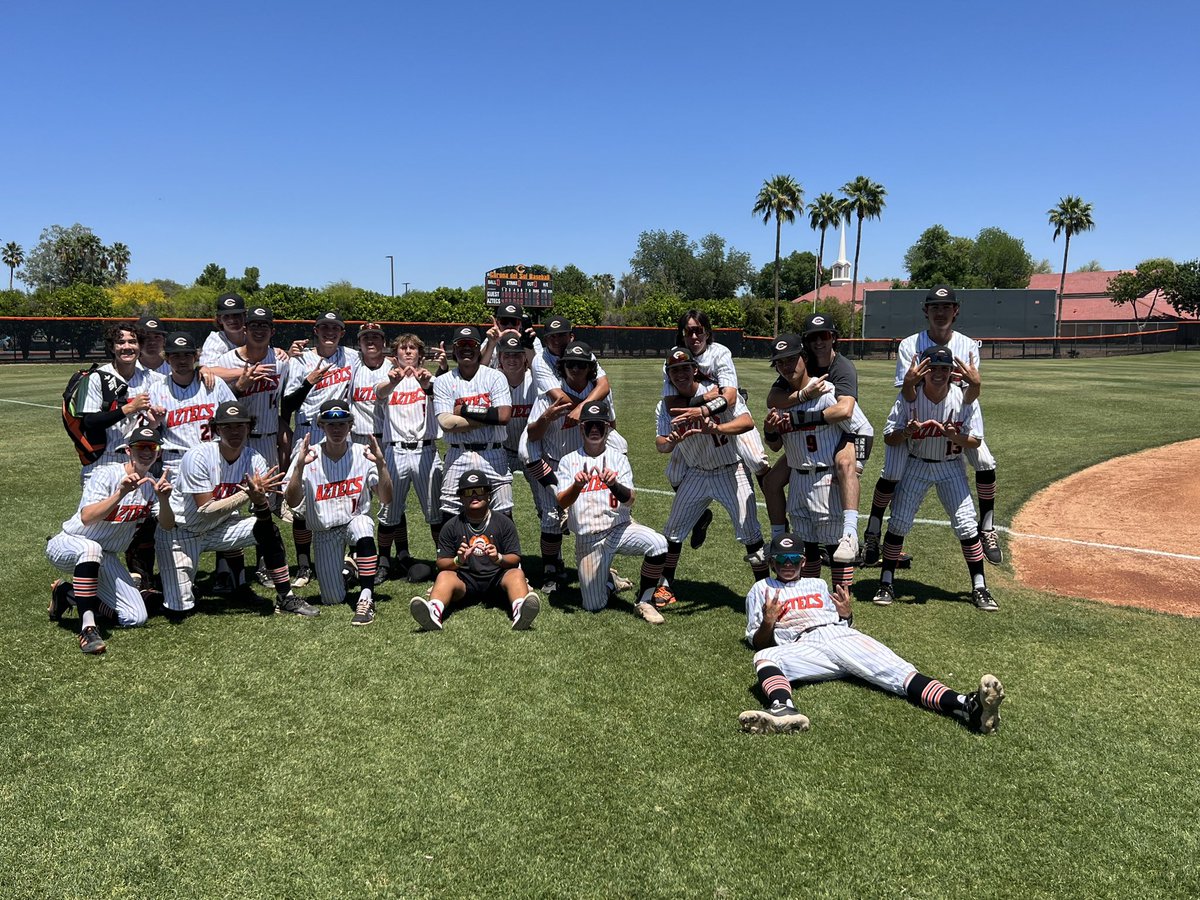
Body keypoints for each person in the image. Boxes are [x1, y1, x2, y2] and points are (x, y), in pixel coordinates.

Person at [737, 533, 1005, 735]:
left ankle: (966, 705)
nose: (787, 564)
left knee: (900, 674)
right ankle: (783, 709)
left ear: (803, 561)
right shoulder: (760, 590)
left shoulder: (817, 583)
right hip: (803, 646)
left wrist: (846, 614)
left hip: (839, 636)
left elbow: (844, 622)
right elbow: (757, 641)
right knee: (765, 656)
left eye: (793, 559)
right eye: (781, 560)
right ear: (772, 562)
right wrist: (769, 622)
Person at [863, 286, 1000, 566]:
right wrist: (913, 385)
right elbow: (907, 394)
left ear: (955, 310)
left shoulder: (968, 345)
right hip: (916, 410)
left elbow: (969, 395)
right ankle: (874, 529)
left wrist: (976, 386)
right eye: (935, 307)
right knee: (892, 470)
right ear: (926, 311)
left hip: (958, 410)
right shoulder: (910, 345)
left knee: (985, 461)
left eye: (946, 307)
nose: (941, 312)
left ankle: (986, 528)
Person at [156, 400, 317, 617]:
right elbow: (205, 509)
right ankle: (155, 590)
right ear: (217, 429)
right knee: (180, 610)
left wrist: (259, 499)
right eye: (228, 426)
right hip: (179, 533)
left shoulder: (254, 459)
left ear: (249, 428)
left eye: (240, 425)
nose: (235, 431)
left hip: (218, 528)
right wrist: (247, 494)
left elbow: (261, 513)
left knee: (268, 530)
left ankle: (285, 597)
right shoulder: (198, 456)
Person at [872, 345, 997, 611]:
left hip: (951, 467)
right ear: (923, 371)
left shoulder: (964, 399)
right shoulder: (909, 398)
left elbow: (975, 442)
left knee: (966, 525)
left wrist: (955, 436)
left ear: (952, 372)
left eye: (944, 368)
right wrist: (906, 432)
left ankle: (979, 586)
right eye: (933, 368)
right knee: (899, 525)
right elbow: (888, 437)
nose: (938, 373)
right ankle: (886, 582)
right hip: (916, 466)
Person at [46, 427, 175, 654]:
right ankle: (88, 629)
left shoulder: (152, 484)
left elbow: (166, 524)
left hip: (104, 556)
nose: (146, 452)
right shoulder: (106, 474)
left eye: (151, 447)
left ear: (159, 452)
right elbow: (87, 517)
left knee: (135, 617)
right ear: (128, 451)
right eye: (140, 447)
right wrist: (120, 494)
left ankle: (68, 593)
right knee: (91, 548)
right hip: (70, 543)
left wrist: (164, 500)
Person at [762, 335, 873, 592]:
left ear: (804, 358)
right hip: (798, 480)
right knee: (807, 549)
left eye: (792, 359)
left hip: (826, 478)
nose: (788, 367)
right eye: (781, 363)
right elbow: (776, 445)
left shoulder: (826, 392)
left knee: (837, 552)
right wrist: (770, 431)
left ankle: (843, 612)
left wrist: (854, 466)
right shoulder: (781, 400)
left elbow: (861, 428)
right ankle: (812, 603)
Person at [655, 345, 769, 594]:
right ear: (669, 375)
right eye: (674, 371)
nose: (680, 374)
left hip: (731, 470)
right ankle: (665, 584)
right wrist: (672, 441)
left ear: (695, 370)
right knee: (673, 531)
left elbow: (747, 422)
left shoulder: (717, 394)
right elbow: (661, 444)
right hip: (697, 472)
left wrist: (716, 429)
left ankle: (764, 589)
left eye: (685, 368)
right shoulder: (665, 405)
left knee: (750, 532)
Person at [525, 340, 629, 592]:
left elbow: (611, 426)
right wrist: (547, 416)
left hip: (585, 466)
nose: (575, 369)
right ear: (562, 367)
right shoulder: (549, 394)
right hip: (554, 461)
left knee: (595, 520)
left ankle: (602, 571)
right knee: (550, 520)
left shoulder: (599, 392)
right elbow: (533, 435)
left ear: (589, 368)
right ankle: (551, 569)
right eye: (570, 364)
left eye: (581, 365)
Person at [556, 401, 673, 622]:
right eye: (589, 425)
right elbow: (562, 501)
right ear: (581, 428)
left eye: (599, 425)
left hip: (619, 529)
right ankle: (610, 582)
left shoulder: (618, 459)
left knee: (658, 543)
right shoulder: (568, 461)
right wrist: (576, 486)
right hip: (588, 540)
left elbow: (630, 500)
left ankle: (645, 602)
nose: (594, 430)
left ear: (608, 428)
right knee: (593, 605)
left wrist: (614, 485)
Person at [665, 310, 771, 549]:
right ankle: (700, 516)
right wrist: (706, 397)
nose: (694, 336)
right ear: (681, 335)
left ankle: (779, 524)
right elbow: (671, 404)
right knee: (673, 473)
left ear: (707, 332)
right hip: (698, 416)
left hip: (731, 413)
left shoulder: (719, 352)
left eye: (698, 330)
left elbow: (731, 397)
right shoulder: (674, 360)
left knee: (758, 460)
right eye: (689, 331)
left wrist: (704, 408)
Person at [284, 399, 393, 625]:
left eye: (342, 424)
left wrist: (382, 465)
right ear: (321, 425)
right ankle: (349, 572)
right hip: (324, 532)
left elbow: (386, 498)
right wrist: (299, 468)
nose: (336, 429)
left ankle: (366, 597)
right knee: (333, 598)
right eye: (330, 424)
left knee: (362, 525)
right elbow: (292, 501)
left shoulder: (363, 453)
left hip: (354, 520)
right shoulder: (308, 454)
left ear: (351, 425)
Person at [281, 310, 361, 586]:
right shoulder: (300, 360)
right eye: (324, 328)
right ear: (315, 330)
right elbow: (287, 405)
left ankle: (348, 559)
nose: (330, 332)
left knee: (345, 493)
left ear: (342, 332)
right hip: (307, 429)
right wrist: (308, 381)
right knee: (303, 503)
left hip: (338, 430)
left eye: (335, 329)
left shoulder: (351, 357)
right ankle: (304, 564)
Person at [409, 470, 539, 632]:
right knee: (444, 576)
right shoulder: (451, 526)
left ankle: (521, 612)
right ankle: (433, 613)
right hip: (465, 581)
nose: (474, 496)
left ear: (488, 495)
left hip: (497, 580)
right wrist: (458, 560)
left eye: (480, 491)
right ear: (461, 498)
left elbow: (515, 558)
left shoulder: (504, 523)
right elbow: (441, 563)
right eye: (468, 492)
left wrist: (498, 558)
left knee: (516, 574)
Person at [374, 332, 447, 581]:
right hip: (395, 450)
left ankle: (443, 560)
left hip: (425, 449)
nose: (407, 352)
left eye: (412, 348)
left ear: (420, 354)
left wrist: (427, 385)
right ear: (395, 355)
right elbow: (379, 393)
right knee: (388, 512)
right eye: (402, 348)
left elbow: (438, 396)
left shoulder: (432, 379)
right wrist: (393, 381)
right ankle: (383, 562)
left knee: (435, 512)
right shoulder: (388, 379)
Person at [432, 325, 513, 519]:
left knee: (503, 510)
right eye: (461, 344)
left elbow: (503, 416)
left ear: (479, 348)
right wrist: (488, 417)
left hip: (493, 452)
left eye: (471, 344)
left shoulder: (495, 376)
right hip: (458, 453)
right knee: (449, 509)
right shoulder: (443, 381)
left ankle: (503, 551)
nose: (466, 348)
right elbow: (446, 423)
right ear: (454, 348)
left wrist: (465, 411)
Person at [76, 322, 158, 485]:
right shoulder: (96, 377)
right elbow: (89, 422)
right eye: (120, 342)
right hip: (103, 461)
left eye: (132, 342)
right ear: (112, 348)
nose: (127, 347)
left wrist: (202, 372)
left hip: (140, 462)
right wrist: (129, 408)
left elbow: (180, 378)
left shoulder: (152, 378)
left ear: (140, 346)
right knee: (98, 511)